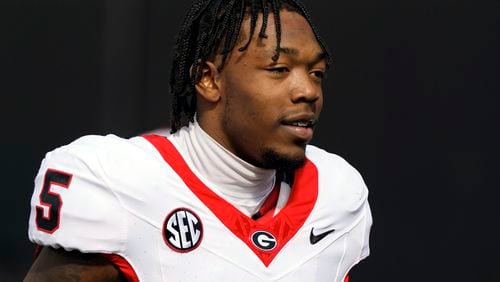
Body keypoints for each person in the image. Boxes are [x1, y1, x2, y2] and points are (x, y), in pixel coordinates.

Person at [25, 0, 372, 281]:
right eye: (279, 69)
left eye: (317, 73)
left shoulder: (338, 194)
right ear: (209, 79)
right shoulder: (119, 182)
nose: (309, 91)